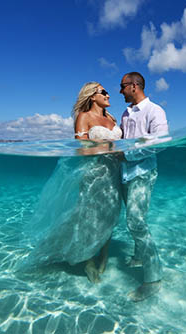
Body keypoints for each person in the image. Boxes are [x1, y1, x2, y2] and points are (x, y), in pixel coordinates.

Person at [23, 82, 122, 284]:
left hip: (114, 174)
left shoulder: (112, 118)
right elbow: (82, 150)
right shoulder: (83, 117)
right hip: (94, 174)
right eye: (103, 92)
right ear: (92, 96)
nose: (109, 95)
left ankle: (103, 255)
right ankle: (87, 260)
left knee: (110, 215)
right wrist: (109, 147)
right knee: (89, 215)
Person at [119, 72, 168, 301]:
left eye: (123, 87)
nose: (120, 91)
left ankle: (153, 279)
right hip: (126, 175)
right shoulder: (125, 113)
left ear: (134, 86)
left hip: (143, 173)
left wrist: (127, 156)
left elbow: (160, 143)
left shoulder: (154, 110)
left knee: (136, 221)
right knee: (135, 221)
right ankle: (139, 256)